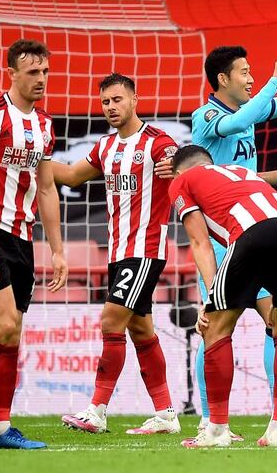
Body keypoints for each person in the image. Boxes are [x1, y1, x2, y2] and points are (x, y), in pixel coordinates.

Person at [188, 40, 277, 440]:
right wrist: (272, 79)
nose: (251, 80)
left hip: (256, 230)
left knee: (276, 323)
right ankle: (209, 419)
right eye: (245, 72)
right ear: (222, 79)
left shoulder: (247, 113)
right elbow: (242, 118)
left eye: (253, 73)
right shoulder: (206, 117)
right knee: (215, 326)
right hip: (221, 236)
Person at [52, 73, 180, 435]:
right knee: (140, 330)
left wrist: (177, 165)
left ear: (135, 99)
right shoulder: (105, 148)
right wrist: (31, 161)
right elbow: (73, 176)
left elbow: (180, 166)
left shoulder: (158, 143)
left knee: (110, 322)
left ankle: (96, 411)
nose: (111, 107)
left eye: (118, 99)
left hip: (144, 251)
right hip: (118, 254)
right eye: (106, 101)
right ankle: (167, 415)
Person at [0, 39, 67, 449]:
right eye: (32, 72)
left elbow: (47, 188)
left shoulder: (44, 124)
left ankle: (1, 428)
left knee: (14, 333)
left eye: (45, 72)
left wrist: (56, 249)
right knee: (2, 325)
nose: (40, 79)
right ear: (13, 73)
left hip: (23, 238)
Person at [168, 145, 277, 448]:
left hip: (254, 234)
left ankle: (217, 430)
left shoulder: (182, 181)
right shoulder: (243, 172)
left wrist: (210, 299)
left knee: (215, 327)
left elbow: (200, 243)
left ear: (180, 172)